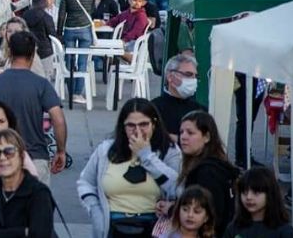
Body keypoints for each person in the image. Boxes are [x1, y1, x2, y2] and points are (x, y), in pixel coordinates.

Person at [77, 98, 181, 238]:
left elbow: (177, 186)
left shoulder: (169, 151)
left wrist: (146, 155)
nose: (137, 131)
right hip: (112, 225)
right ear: (123, 127)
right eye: (131, 125)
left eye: (144, 124)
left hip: (154, 227)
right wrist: (95, 211)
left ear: (154, 124)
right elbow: (86, 182)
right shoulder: (106, 150)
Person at [0, 31, 67, 186]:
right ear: (33, 53)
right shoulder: (41, 84)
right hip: (36, 157)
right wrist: (60, 151)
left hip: (0, 157)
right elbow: (58, 119)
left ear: (9, 51)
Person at [157, 111, 238, 236]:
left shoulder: (208, 173)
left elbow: (207, 211)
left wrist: (172, 209)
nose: (183, 137)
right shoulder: (214, 166)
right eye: (181, 132)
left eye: (190, 133)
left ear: (207, 137)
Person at [0, 129, 55, 237]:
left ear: (21, 156)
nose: (2, 158)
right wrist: (23, 232)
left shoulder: (39, 193)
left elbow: (40, 234)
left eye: (9, 152)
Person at [57, 0, 96, 104]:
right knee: (83, 61)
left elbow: (62, 15)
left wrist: (59, 33)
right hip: (85, 28)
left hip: (70, 28)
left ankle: (70, 88)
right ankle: (78, 93)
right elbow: (92, 10)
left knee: (69, 60)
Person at [226, 167, 293, 238]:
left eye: (256, 192)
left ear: (270, 194)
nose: (248, 197)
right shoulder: (233, 229)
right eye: (244, 192)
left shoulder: (285, 232)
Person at [151, 54, 205, 143]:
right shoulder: (154, 109)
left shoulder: (200, 110)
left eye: (195, 76)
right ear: (170, 77)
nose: (193, 80)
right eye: (188, 74)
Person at [23, 0, 57, 79]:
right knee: (45, 77)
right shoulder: (47, 17)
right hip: (45, 51)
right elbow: (52, 35)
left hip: (28, 49)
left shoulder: (25, 15)